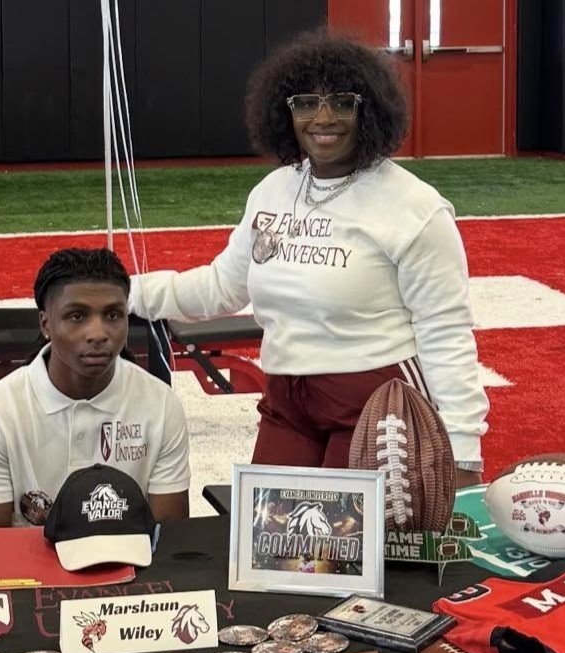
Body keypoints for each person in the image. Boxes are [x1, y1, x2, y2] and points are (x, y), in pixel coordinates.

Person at [129, 30, 488, 489]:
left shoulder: (415, 209)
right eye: (305, 103)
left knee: (340, 548)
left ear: (370, 109)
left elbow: (446, 331)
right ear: (285, 110)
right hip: (288, 400)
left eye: (342, 103)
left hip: (375, 405)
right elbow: (223, 286)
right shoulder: (274, 190)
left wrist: (462, 449)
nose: (323, 118)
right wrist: (128, 293)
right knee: (272, 541)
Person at [0, 248, 191, 530]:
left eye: (112, 315)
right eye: (77, 316)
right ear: (45, 323)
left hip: (132, 567)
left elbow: (169, 539)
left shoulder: (162, 405)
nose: (97, 333)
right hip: (30, 571)